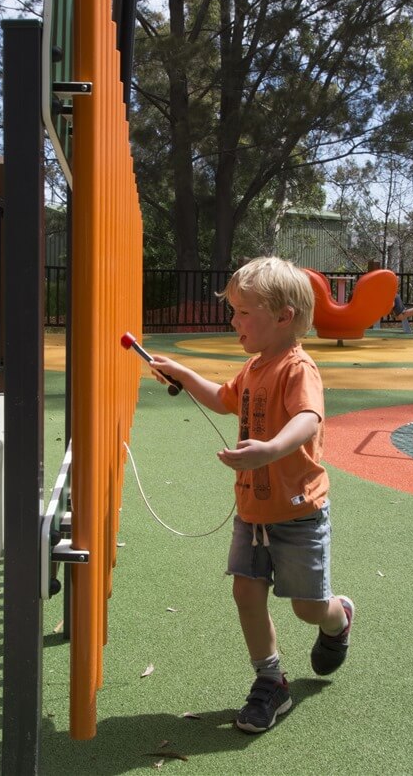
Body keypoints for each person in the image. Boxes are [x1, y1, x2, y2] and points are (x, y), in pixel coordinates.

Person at [150, 257, 354, 733]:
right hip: (253, 509)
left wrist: (271, 450)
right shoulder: (255, 366)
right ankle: (270, 680)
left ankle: (337, 616)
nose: (234, 320)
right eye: (234, 310)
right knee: (246, 591)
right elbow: (224, 398)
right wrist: (181, 373)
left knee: (307, 607)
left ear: (283, 316)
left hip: (298, 513)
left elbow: (309, 419)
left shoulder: (297, 368)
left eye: (244, 312)